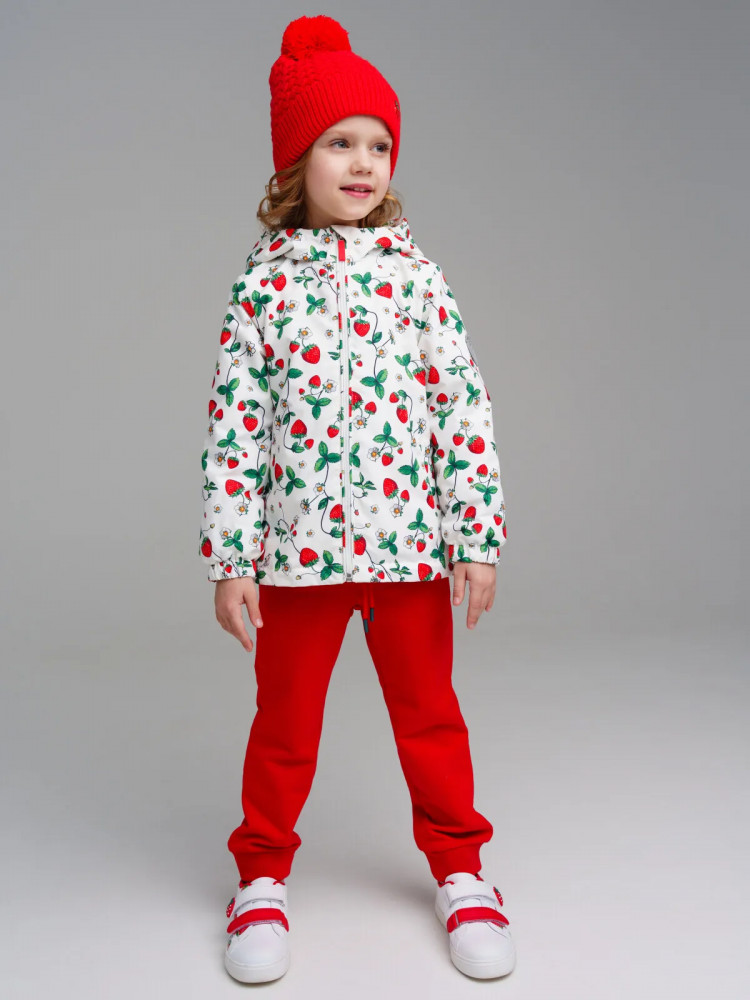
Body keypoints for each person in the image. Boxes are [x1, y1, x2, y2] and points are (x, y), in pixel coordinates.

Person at [199, 14, 516, 985]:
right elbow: (235, 426)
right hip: (298, 561)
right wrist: (231, 559)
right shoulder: (262, 287)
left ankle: (462, 870)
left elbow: (460, 403)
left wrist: (476, 537)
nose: (364, 162)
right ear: (297, 160)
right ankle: (260, 878)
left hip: (411, 552)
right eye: (340, 142)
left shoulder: (417, 279)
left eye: (379, 144)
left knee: (431, 717)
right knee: (283, 726)